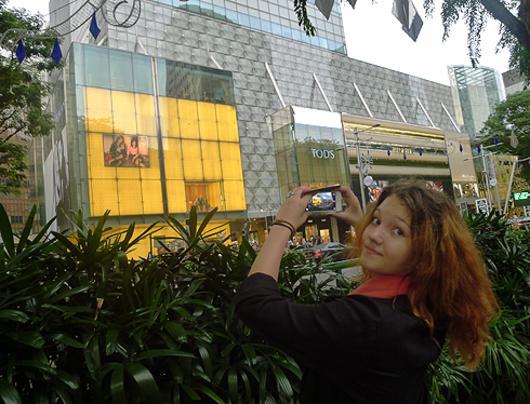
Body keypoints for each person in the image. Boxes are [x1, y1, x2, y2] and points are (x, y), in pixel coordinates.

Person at [234, 181, 498, 404]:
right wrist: (364, 222)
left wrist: (283, 224)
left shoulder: (366, 322)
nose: (373, 235)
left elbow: (254, 303)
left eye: (398, 231)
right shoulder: (426, 300)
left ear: (425, 252)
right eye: (377, 220)